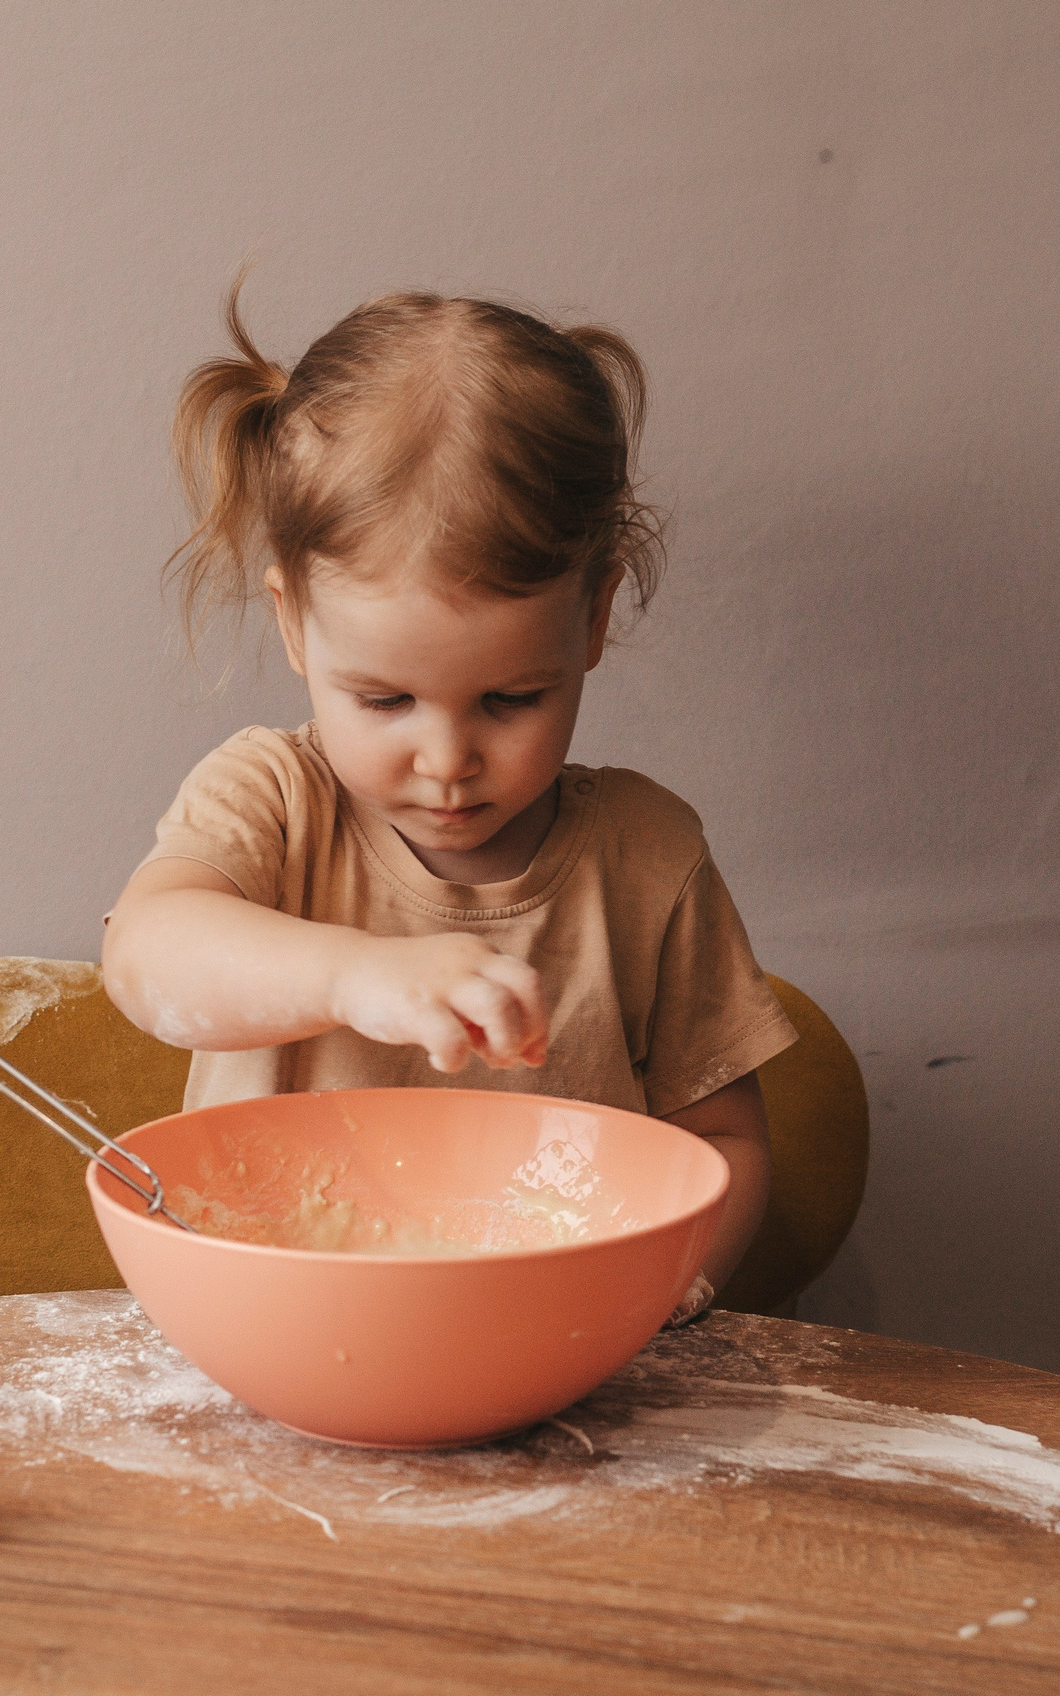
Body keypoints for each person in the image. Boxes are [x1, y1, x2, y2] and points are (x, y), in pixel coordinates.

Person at [101, 282, 796, 1321]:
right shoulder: (275, 801)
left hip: (559, 1360)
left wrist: (661, 1297)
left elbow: (723, 1146)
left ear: (594, 619)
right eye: (383, 698)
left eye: (510, 699)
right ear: (294, 626)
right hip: (287, 1344)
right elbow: (148, 958)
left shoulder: (647, 856)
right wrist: (356, 976)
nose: (447, 759)